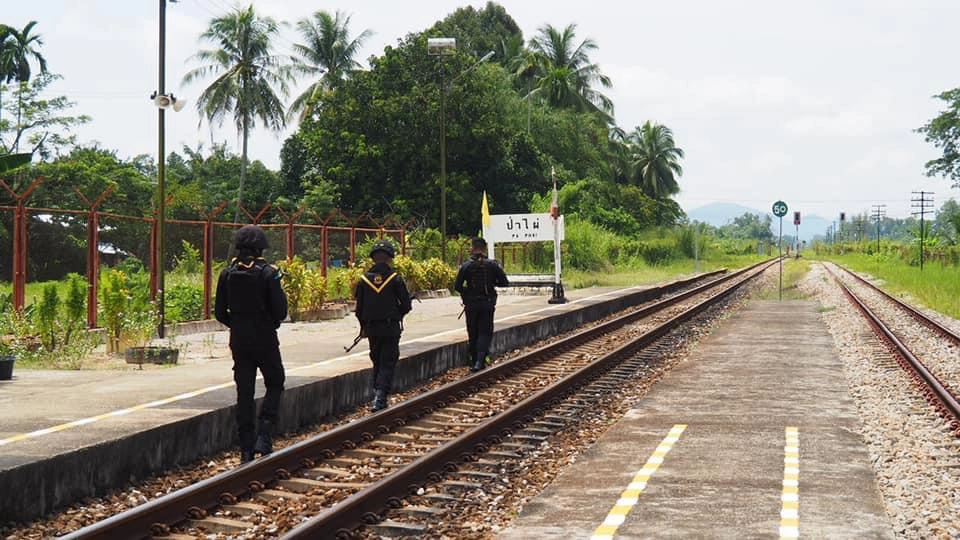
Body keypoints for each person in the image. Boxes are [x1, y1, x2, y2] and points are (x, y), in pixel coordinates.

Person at [214, 225, 288, 463]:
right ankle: (264, 433)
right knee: (275, 381)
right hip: (265, 337)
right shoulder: (268, 273)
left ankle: (245, 447)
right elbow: (280, 311)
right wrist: (267, 322)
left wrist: (238, 324)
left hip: (239, 339)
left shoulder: (227, 273)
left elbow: (219, 312)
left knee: (244, 392)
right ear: (260, 248)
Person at [354, 239, 412, 412]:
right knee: (388, 361)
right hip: (390, 327)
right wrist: (396, 315)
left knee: (377, 360)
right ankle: (380, 396)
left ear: (373, 258)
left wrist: (363, 327)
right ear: (389, 258)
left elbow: (359, 309)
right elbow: (406, 305)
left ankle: (377, 393)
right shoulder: (395, 279)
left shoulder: (364, 280)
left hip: (372, 328)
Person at [454, 237, 509, 372]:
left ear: (472, 248)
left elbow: (457, 286)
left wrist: (467, 293)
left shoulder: (466, 266)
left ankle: (474, 361)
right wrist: (492, 283)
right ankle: (480, 361)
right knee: (485, 332)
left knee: (472, 331)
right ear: (484, 249)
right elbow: (504, 282)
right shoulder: (493, 265)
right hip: (487, 303)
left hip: (471, 304)